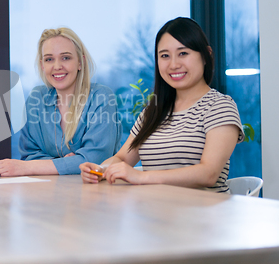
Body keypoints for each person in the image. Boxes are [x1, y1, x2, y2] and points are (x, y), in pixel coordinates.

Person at [80, 17, 243, 193]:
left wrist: (141, 177)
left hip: (205, 216)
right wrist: (100, 170)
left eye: (183, 53)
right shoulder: (154, 111)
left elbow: (208, 174)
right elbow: (122, 158)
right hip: (156, 212)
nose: (174, 64)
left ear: (206, 55)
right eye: (165, 56)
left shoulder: (220, 107)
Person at [0, 27, 121, 177]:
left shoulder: (101, 97)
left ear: (80, 62)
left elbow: (96, 160)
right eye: (49, 59)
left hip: (96, 192)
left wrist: (32, 167)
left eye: (66, 58)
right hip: (49, 191)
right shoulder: (36, 98)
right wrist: (68, 163)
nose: (57, 66)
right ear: (42, 65)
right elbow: (29, 155)